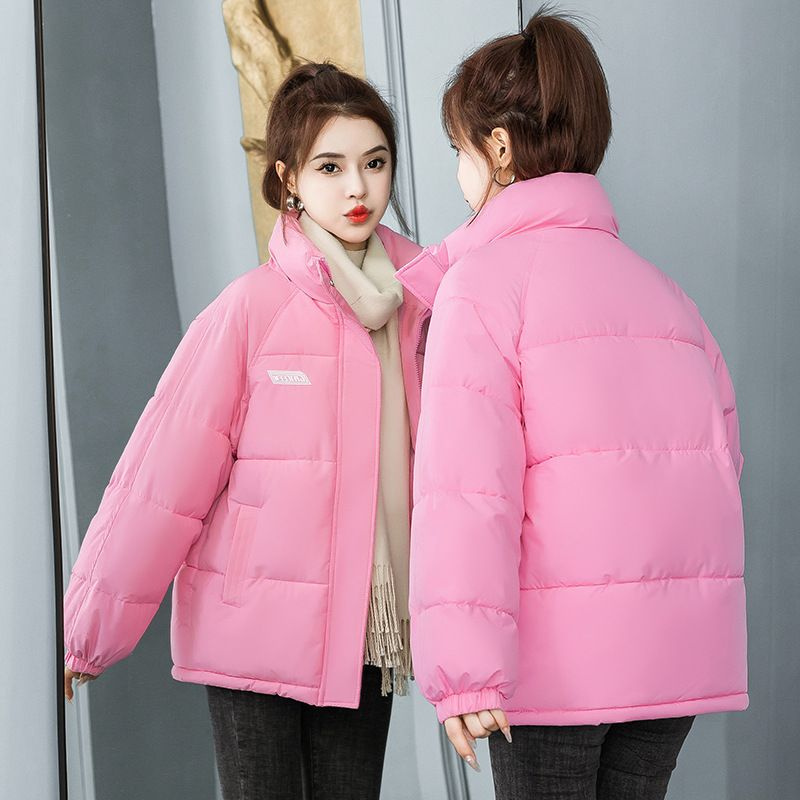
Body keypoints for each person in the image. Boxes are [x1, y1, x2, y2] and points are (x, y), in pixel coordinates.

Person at [396, 8, 747, 799]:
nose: (459, 173)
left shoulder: (484, 288)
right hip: (676, 661)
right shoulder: (669, 298)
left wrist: (465, 673)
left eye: (458, 150)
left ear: (497, 147)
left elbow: (468, 491)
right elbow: (722, 466)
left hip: (553, 670)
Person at [63, 62, 429, 800]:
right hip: (251, 638)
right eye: (330, 167)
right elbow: (161, 481)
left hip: (365, 631)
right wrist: (88, 631)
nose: (358, 188)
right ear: (289, 178)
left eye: (375, 162)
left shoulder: (423, 305)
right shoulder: (251, 309)